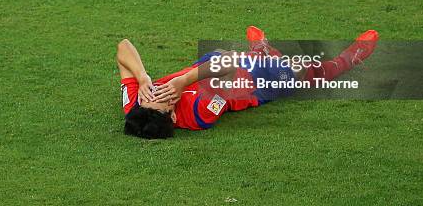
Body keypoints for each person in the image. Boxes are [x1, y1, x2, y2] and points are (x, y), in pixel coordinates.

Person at [118, 26, 379, 139]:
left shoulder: (137, 108)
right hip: (255, 85)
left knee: (228, 56)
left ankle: (260, 51)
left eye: (148, 97)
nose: (156, 94)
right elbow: (231, 68)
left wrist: (142, 77)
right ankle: (348, 59)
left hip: (212, 65)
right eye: (162, 101)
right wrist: (183, 82)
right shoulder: (201, 115)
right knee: (303, 70)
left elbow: (123, 48)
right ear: (173, 117)